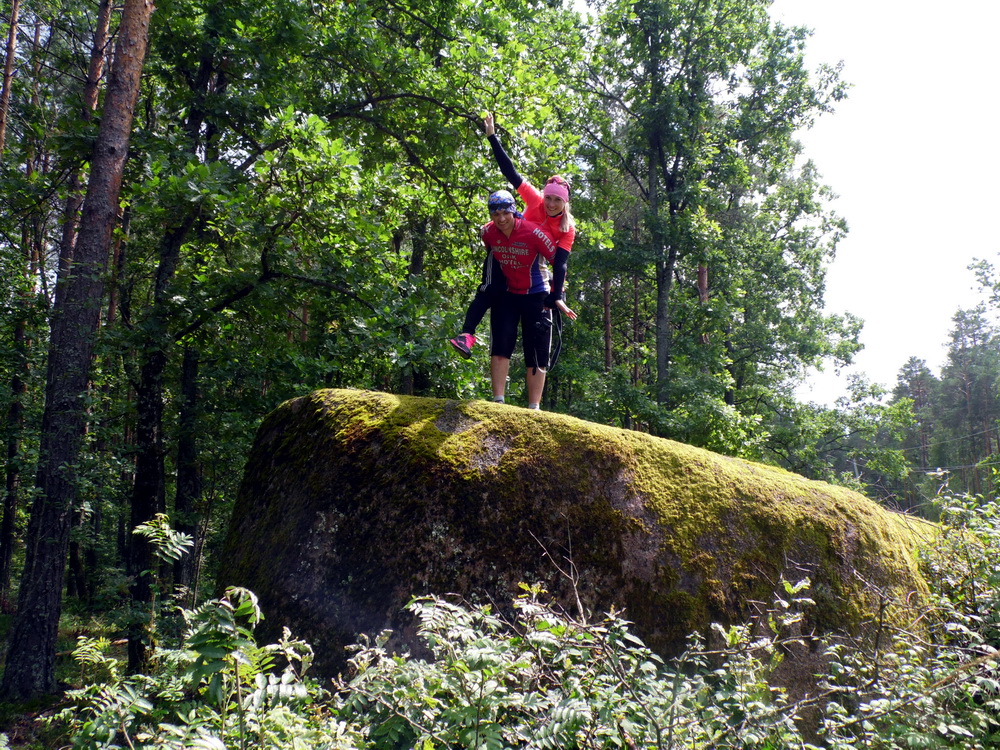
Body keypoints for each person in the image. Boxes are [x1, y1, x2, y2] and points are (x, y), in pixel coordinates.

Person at [449, 114, 577, 359]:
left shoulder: (567, 228)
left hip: (532, 263)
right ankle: (466, 335)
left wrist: (557, 295)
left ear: (565, 203)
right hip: (506, 245)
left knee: (540, 309)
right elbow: (510, 171)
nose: (550, 204)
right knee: (489, 289)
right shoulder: (535, 200)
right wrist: (491, 136)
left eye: (557, 200)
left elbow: (560, 263)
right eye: (548, 198)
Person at [479, 190, 569, 409]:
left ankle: (534, 407)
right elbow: (492, 253)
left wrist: (556, 295)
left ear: (514, 211)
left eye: (506, 213)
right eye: (496, 214)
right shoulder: (488, 232)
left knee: (537, 351)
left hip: (537, 294)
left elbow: (558, 263)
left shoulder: (535, 232)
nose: (501, 219)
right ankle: (498, 401)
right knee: (500, 345)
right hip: (507, 293)